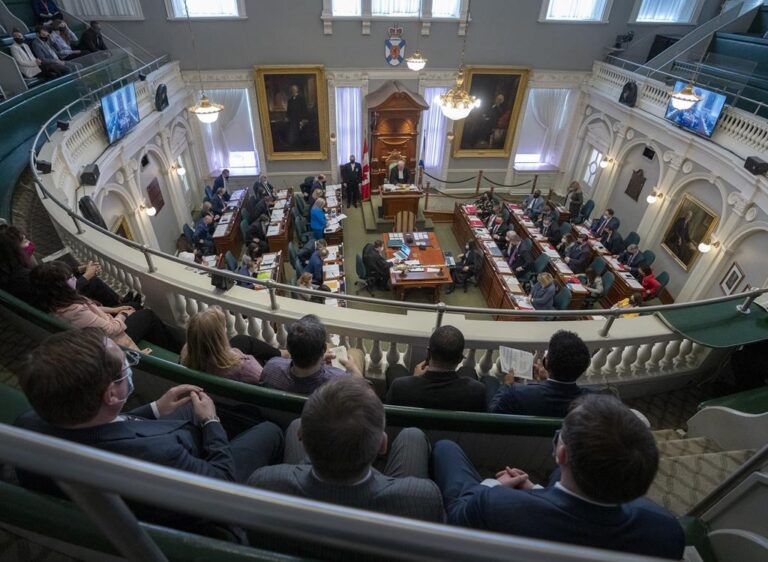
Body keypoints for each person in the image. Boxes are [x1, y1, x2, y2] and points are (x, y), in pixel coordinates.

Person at [16, 327, 284, 497]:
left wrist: (155, 409)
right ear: (111, 394)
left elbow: (112, 424)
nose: (130, 367)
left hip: (145, 436)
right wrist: (211, 422)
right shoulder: (160, 453)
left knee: (194, 405)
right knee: (270, 431)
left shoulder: (28, 423)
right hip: (206, 475)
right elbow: (220, 479)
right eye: (126, 366)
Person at [433, 394, 685, 559]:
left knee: (446, 448)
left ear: (561, 453)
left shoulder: (494, 504)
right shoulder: (667, 531)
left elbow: (456, 519)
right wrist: (537, 492)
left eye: (559, 435)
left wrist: (492, 486)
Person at [247, 378, 443, 556]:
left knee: (296, 423)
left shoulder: (263, 486)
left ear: (302, 438)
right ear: (382, 445)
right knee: (412, 435)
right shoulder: (423, 501)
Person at [30, 262, 183, 353]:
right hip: (111, 341)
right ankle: (175, 349)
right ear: (59, 286)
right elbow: (110, 330)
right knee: (147, 316)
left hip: (103, 330)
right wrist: (123, 314)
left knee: (134, 305)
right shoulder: (74, 312)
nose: (74, 279)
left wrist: (116, 310)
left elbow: (92, 309)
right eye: (70, 278)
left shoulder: (59, 302)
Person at [489, 330, 592, 417]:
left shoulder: (515, 393)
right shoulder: (591, 401)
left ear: (546, 363)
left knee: (489, 380)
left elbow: (494, 415)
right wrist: (544, 382)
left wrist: (507, 385)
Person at [385, 326, 486, 412]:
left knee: (395, 369)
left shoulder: (399, 387)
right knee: (468, 371)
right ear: (460, 359)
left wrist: (414, 380)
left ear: (428, 353)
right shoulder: (477, 391)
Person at [259, 315, 364, 395]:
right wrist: (354, 369)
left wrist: (318, 359)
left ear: (288, 348)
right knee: (356, 353)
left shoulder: (271, 367)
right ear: (324, 349)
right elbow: (364, 395)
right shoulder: (341, 381)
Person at [180, 306, 281, 384]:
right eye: (223, 328)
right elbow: (265, 383)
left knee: (241, 340)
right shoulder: (244, 367)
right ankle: (281, 354)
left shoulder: (186, 353)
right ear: (220, 337)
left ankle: (280, 353)